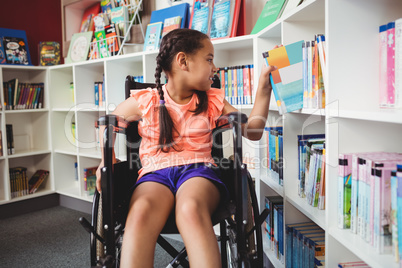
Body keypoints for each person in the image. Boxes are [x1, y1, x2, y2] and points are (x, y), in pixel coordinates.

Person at [96, 28, 276, 268]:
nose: (214, 67)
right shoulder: (146, 100)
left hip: (198, 171)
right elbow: (108, 123)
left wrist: (264, 88)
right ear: (183, 61)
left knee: (190, 208)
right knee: (140, 213)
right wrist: (105, 160)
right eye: (209, 59)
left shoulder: (212, 99)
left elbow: (252, 132)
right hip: (154, 175)